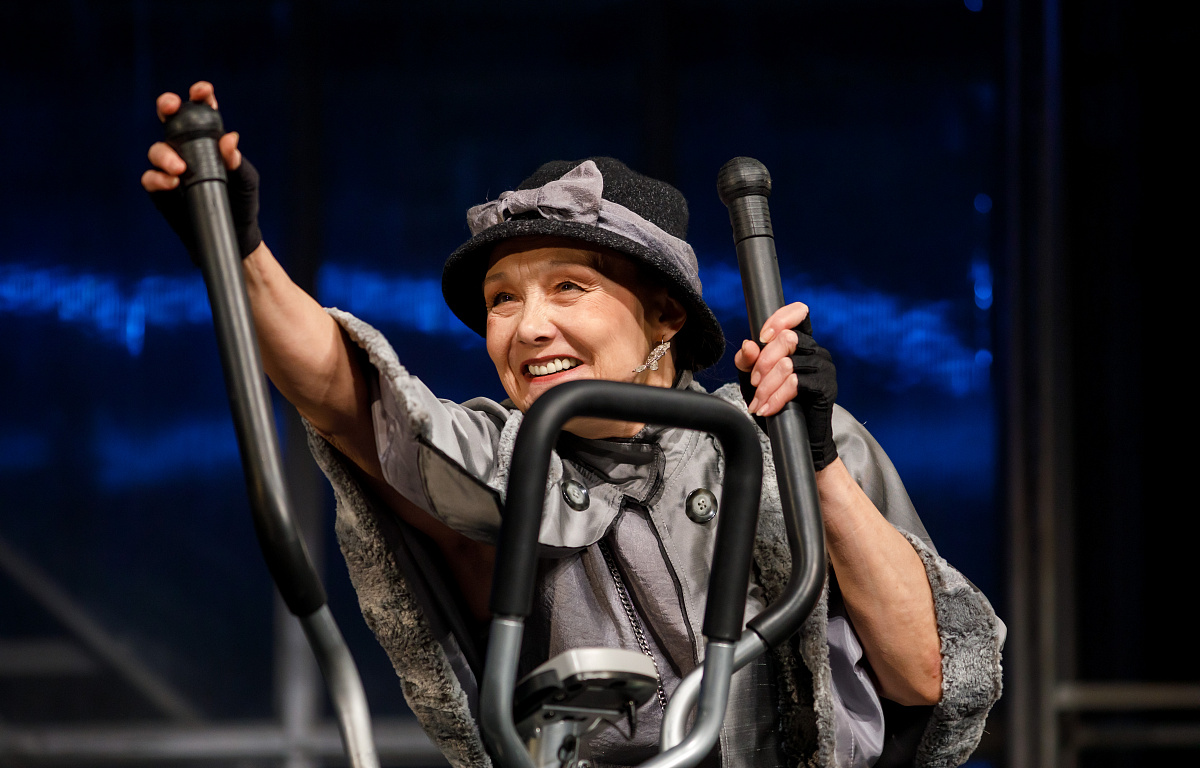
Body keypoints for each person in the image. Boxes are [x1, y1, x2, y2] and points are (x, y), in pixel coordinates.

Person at [143, 82, 1003, 768]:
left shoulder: (786, 441)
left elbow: (929, 677)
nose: (529, 327)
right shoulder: (511, 459)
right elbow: (350, 395)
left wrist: (814, 464)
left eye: (568, 288)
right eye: (502, 300)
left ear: (666, 315)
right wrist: (237, 249)